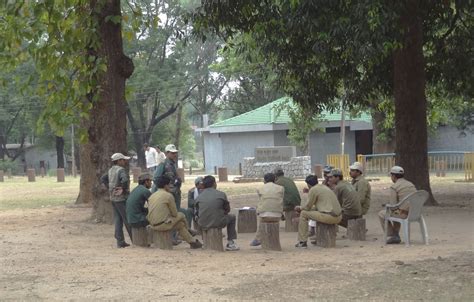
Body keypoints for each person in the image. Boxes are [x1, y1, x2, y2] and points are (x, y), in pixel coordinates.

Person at [147, 175, 203, 249]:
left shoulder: (152, 196)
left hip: (153, 224)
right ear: (166, 185)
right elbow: (174, 213)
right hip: (163, 224)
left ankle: (192, 242)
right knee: (181, 215)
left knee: (180, 225)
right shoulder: (168, 196)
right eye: (170, 184)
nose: (171, 186)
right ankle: (189, 230)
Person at [294, 175, 342, 248]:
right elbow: (317, 207)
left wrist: (300, 208)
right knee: (308, 212)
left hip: (329, 217)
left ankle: (302, 241)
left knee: (303, 214)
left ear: (308, 185)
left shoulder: (313, 190)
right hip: (338, 216)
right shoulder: (324, 187)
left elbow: (307, 207)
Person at [195, 175, 240, 251]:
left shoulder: (199, 197)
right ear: (214, 184)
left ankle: (205, 242)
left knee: (201, 217)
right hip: (217, 222)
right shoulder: (221, 194)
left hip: (202, 223)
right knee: (232, 217)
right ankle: (230, 243)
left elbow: (197, 211)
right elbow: (227, 210)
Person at [152, 144, 192, 226]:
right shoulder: (163, 164)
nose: (175, 154)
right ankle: (173, 235)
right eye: (172, 153)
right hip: (169, 194)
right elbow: (156, 178)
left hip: (175, 193)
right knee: (171, 214)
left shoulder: (173, 164)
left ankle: (179, 233)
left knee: (175, 213)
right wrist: (164, 189)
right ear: (167, 153)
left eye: (175, 153)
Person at [378, 166, 416, 244]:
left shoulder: (394, 187)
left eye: (391, 175)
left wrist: (387, 205)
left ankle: (393, 235)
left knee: (382, 213)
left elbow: (393, 206)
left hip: (403, 214)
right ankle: (395, 235)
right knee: (397, 210)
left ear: (394, 176)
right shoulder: (410, 184)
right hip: (415, 212)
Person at [104, 152, 133, 248]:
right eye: (123, 160)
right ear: (119, 161)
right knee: (127, 218)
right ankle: (135, 239)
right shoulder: (121, 170)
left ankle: (120, 241)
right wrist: (122, 189)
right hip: (121, 198)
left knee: (118, 219)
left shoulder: (111, 170)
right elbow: (124, 180)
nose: (125, 161)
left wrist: (110, 188)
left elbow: (103, 179)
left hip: (113, 198)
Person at [250, 173, 284, 247]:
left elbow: (261, 201)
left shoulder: (259, 188)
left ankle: (258, 238)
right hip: (277, 214)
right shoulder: (281, 188)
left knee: (262, 218)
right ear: (275, 180)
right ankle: (260, 239)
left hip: (264, 214)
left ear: (264, 180)